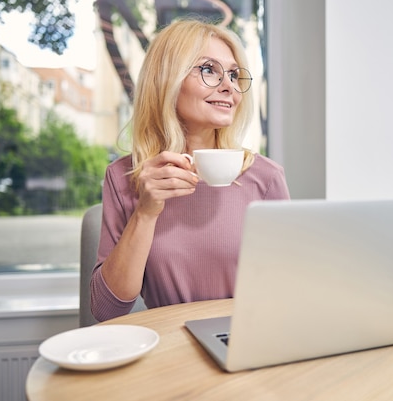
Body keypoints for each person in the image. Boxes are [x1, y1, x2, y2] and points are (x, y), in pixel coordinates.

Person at [90, 18, 290, 322]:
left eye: (234, 75)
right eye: (209, 69)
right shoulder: (125, 178)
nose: (229, 87)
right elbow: (106, 311)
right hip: (169, 349)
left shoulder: (265, 177)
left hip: (246, 343)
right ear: (166, 80)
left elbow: (291, 293)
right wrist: (145, 212)